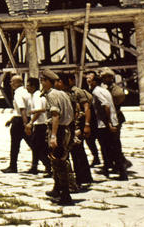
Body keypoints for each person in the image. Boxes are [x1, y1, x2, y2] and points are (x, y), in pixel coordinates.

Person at [40, 70, 75, 206]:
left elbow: (55, 115)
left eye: (43, 80)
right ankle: (57, 188)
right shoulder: (63, 93)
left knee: (59, 162)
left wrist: (53, 136)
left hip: (58, 130)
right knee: (56, 161)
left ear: (49, 81)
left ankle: (66, 195)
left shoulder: (52, 95)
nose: (42, 83)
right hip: (65, 129)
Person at [87, 71, 127, 181]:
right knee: (111, 148)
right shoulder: (103, 90)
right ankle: (111, 168)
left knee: (109, 148)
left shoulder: (96, 92)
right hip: (111, 122)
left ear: (95, 81)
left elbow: (106, 106)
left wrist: (108, 122)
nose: (87, 80)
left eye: (90, 78)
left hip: (105, 124)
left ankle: (121, 172)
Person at [65, 72, 94, 188]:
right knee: (76, 152)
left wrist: (86, 125)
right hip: (73, 124)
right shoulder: (66, 92)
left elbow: (86, 108)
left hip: (79, 125)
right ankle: (81, 177)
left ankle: (84, 177)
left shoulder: (77, 91)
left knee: (78, 153)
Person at [2, 74, 31, 173]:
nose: (11, 84)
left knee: (14, 145)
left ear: (18, 82)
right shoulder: (26, 91)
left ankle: (12, 166)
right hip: (24, 119)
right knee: (33, 144)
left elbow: (22, 109)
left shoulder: (18, 93)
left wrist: (25, 124)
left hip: (20, 121)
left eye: (12, 82)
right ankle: (47, 164)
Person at [25, 77, 51, 175]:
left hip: (41, 124)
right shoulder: (34, 95)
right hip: (39, 124)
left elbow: (39, 111)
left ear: (33, 86)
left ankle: (48, 166)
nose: (26, 87)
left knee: (38, 148)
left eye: (28, 85)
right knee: (36, 147)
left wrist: (31, 122)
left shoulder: (37, 96)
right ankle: (34, 166)